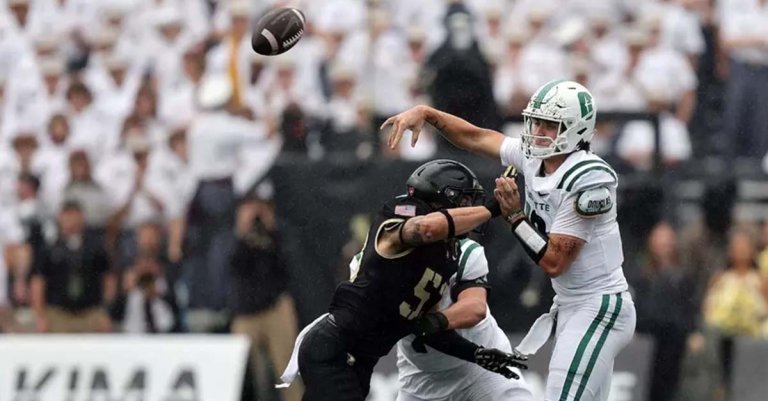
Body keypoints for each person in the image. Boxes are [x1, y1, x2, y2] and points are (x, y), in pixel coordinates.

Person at [383, 79, 637, 401]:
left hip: (599, 305)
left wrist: (515, 216)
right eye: (538, 121)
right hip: (573, 305)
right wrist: (428, 113)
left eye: (550, 125)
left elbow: (555, 262)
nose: (539, 130)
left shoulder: (588, 177)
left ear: (575, 129)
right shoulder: (534, 158)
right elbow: (476, 137)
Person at [279, 159, 527, 401]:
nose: (470, 209)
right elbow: (425, 229)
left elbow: (422, 327)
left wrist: (476, 353)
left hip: (358, 358)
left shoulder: (447, 256)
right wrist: (491, 210)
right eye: (464, 201)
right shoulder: (398, 218)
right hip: (334, 350)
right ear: (444, 199)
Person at [386, 237, 534, 401]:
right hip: (421, 378)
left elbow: (475, 308)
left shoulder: (462, 251)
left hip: (480, 368)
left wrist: (430, 323)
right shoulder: (379, 268)